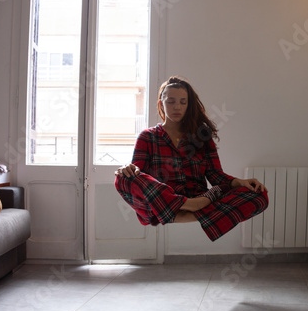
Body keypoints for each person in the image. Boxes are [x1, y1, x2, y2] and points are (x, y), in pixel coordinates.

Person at [114, 76, 269, 241]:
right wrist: (128, 169)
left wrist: (241, 182)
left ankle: (180, 213)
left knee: (260, 195)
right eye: (171, 101)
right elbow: (139, 176)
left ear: (189, 105)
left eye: (183, 102)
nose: (177, 107)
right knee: (122, 179)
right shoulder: (147, 136)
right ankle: (193, 210)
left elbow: (216, 176)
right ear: (161, 104)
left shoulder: (201, 136)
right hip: (166, 201)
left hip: (196, 198)